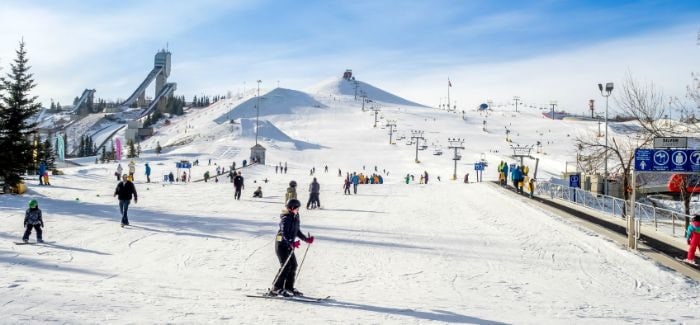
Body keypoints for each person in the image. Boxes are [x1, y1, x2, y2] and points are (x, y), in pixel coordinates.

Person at [269, 199, 314, 297]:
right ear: (292, 208)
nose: (298, 210)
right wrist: (291, 242)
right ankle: (276, 288)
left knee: (293, 265)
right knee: (285, 266)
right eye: (297, 208)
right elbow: (284, 233)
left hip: (289, 245)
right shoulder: (285, 218)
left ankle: (288, 287)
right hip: (281, 245)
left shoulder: (295, 217)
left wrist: (306, 239)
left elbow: (297, 231)